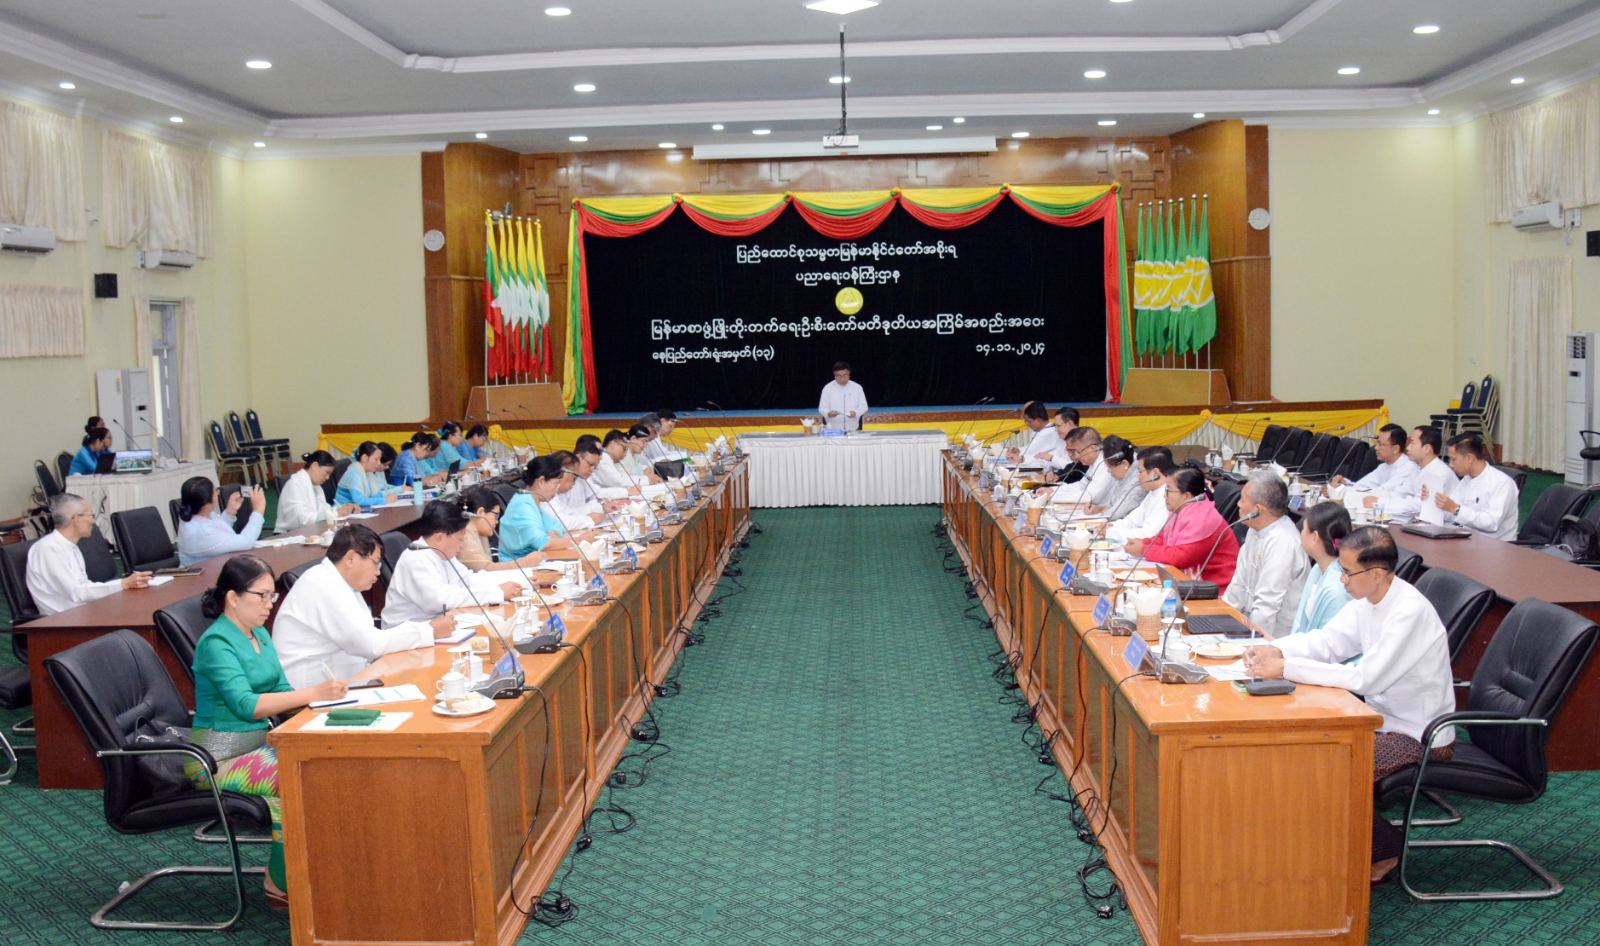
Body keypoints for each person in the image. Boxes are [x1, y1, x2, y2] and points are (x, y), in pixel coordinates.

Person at [1242, 527, 1455, 883]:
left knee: (1328, 766)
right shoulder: (1369, 601)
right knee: (1305, 754)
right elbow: (1329, 642)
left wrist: (1286, 668)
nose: (1341, 579)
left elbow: (1366, 679)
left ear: (1377, 574)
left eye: (1348, 572)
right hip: (1378, 720)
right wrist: (1277, 649)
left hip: (1421, 735)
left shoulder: (1409, 612)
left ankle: (1386, 849)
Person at [188, 554, 346, 907]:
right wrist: (314, 693)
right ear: (233, 598)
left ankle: (303, 871)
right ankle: (281, 881)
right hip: (216, 758)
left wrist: (332, 707)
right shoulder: (216, 644)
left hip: (257, 745)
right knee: (299, 775)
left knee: (326, 764)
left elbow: (282, 689)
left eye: (272, 596)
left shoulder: (258, 633)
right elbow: (247, 705)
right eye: (261, 596)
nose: (269, 604)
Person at [273, 524, 462, 687]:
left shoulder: (341, 582)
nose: (378, 572)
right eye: (375, 563)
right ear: (351, 559)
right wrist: (428, 631)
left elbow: (370, 639)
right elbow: (370, 645)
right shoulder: (323, 585)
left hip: (344, 680)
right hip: (310, 694)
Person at [382, 501, 524, 627]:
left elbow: (468, 580)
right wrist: (496, 593)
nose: (462, 545)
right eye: (460, 539)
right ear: (440, 537)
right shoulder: (416, 558)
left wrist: (521, 580)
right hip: (408, 632)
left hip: (437, 624)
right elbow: (441, 600)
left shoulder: (442, 552)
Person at [26, 493, 151, 614]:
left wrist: (124, 584)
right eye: (91, 515)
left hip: (84, 612)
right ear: (77, 519)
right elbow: (76, 593)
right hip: (63, 621)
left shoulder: (70, 546)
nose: (92, 521)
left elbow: (84, 586)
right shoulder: (48, 549)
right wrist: (123, 584)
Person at [1223, 472, 1309, 637]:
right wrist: (1220, 619)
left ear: (1257, 510)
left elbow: (1267, 607)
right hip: (1245, 625)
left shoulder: (1282, 542)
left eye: (1242, 500)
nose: (1238, 504)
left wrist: (1251, 642)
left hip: (1274, 637)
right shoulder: (1255, 530)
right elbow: (1238, 585)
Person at [1128, 467, 1238, 588]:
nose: (1164, 496)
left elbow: (1181, 557)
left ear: (1186, 496)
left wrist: (1143, 549)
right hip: (1189, 582)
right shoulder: (1181, 510)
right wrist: (1142, 543)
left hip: (1213, 588)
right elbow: (1163, 538)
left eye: (1168, 491)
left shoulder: (1202, 517)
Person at [1428, 433, 1518, 540]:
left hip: (1494, 544)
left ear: (1469, 458)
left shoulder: (1502, 483)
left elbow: (1491, 523)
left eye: (1453, 459)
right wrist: (1434, 500)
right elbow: (1451, 513)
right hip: (1467, 538)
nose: (1451, 465)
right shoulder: (1466, 479)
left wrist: (1456, 509)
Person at [1289, 502, 1355, 635]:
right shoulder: (1317, 569)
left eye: (1303, 529)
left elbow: (1331, 642)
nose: (1301, 533)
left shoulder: (1337, 589)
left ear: (1314, 537)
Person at [1334, 424, 1420, 521]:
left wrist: (1343, 493)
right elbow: (1363, 486)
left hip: (1395, 520)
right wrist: (1343, 485)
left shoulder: (1409, 469)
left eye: (1380, 444)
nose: (1376, 448)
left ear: (1395, 449)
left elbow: (1378, 495)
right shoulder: (1383, 466)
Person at [499, 455, 576, 560]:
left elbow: (557, 526)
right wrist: (578, 541)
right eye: (556, 484)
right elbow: (542, 543)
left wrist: (553, 533)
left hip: (535, 561)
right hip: (517, 565)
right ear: (541, 481)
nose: (557, 489)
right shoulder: (522, 506)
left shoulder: (531, 500)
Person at [177, 476, 266, 566]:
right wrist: (258, 510)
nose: (217, 494)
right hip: (205, 573)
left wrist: (230, 512)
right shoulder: (202, 532)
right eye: (215, 491)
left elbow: (218, 535)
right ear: (206, 503)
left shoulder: (196, 514)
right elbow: (247, 542)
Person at [458, 486, 544, 573]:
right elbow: (486, 570)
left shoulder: (478, 530)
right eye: (496, 516)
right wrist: (525, 562)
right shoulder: (464, 534)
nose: (497, 522)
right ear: (481, 513)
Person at [276, 451, 359, 532]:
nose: (327, 478)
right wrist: (336, 513)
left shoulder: (316, 486)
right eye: (327, 472)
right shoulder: (295, 484)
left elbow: (325, 509)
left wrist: (345, 508)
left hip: (310, 530)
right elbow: (300, 518)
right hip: (290, 534)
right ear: (314, 466)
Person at [1106, 449, 1174, 544]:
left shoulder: (1168, 496)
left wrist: (1112, 532)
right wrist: (1111, 525)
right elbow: (1133, 520)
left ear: (1155, 473)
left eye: (1140, 471)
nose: (1137, 476)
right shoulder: (1153, 492)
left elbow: (1149, 534)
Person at [1401, 425, 1459, 523]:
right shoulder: (1418, 468)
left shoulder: (1439, 473)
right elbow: (1404, 492)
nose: (1407, 447)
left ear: (1427, 448)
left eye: (1413, 443)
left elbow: (1420, 506)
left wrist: (1382, 504)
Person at [1050, 428, 1114, 508]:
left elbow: (1090, 497)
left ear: (1092, 448)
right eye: (1069, 452)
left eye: (1074, 451)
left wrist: (1053, 496)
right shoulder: (1094, 462)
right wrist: (1053, 490)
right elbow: (1081, 485)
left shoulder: (1105, 464)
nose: (1073, 456)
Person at [335, 441, 395, 510]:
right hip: (343, 511)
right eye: (376, 459)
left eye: (379, 459)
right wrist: (384, 500)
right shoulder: (354, 472)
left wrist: (388, 496)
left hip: (357, 511)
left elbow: (375, 495)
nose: (379, 463)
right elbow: (359, 501)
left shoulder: (368, 473)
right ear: (364, 458)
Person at [1096, 436, 1144, 520]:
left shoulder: (1138, 480)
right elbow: (1113, 503)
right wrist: (1099, 509)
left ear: (1124, 464)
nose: (1108, 471)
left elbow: (1115, 514)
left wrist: (1103, 512)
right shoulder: (1125, 472)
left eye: (1110, 466)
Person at [1006, 401, 1061, 467]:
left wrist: (1018, 454)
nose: (1027, 424)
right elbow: (1031, 449)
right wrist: (1018, 450)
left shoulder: (1048, 432)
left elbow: (1029, 453)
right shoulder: (1042, 430)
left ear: (1039, 420)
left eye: (1029, 421)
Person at [818, 361, 868, 432]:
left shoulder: (857, 387)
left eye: (845, 375)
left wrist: (856, 413)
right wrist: (828, 413)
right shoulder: (827, 388)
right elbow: (822, 408)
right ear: (834, 375)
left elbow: (864, 407)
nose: (842, 378)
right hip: (832, 430)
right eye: (838, 375)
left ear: (849, 374)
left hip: (853, 429)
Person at [593, 429, 641, 496]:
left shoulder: (611, 459)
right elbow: (618, 482)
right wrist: (647, 480)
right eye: (624, 449)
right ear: (613, 444)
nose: (625, 454)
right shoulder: (603, 458)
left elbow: (623, 477)